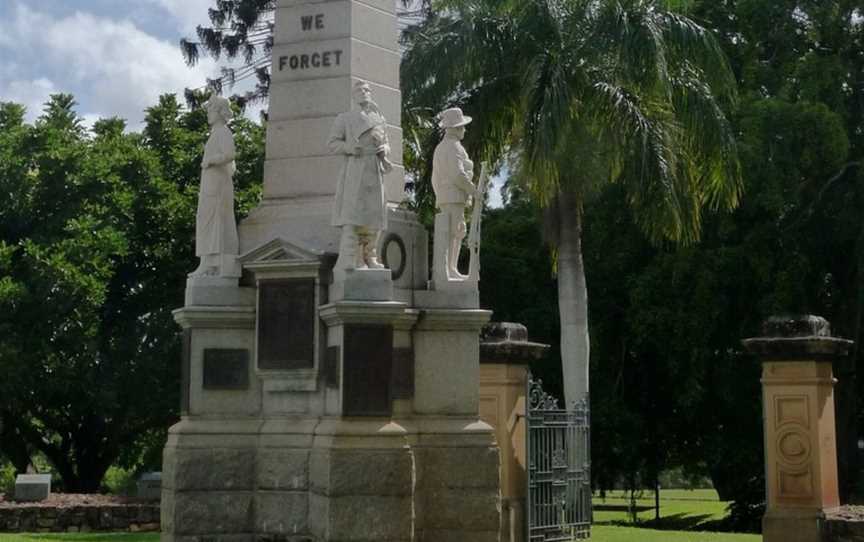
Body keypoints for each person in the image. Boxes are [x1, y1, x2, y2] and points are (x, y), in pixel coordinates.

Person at [328, 81, 394, 273]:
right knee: (355, 215)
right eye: (360, 90)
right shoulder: (345, 118)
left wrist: (385, 150)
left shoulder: (379, 118)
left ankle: (370, 255)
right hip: (356, 169)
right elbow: (332, 143)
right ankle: (355, 257)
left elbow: (387, 142)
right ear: (353, 95)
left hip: (375, 168)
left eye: (367, 90)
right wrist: (349, 148)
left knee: (375, 215)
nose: (364, 93)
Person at [190, 95, 239, 277]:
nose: (208, 114)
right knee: (205, 220)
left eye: (211, 110)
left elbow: (230, 154)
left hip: (218, 184)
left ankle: (214, 264)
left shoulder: (223, 132)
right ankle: (206, 261)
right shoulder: (215, 133)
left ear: (219, 112)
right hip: (210, 183)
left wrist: (210, 160)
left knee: (215, 221)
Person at [432, 107, 478, 280]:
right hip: (453, 195)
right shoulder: (453, 147)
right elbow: (458, 174)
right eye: (462, 127)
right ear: (456, 128)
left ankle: (452, 267)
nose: (464, 130)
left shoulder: (444, 147)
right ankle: (449, 268)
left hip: (449, 196)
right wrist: (473, 190)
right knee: (454, 231)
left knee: (457, 231)